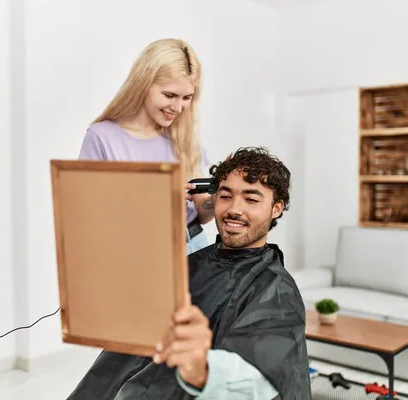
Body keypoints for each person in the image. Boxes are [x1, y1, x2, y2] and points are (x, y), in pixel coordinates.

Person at [67, 147, 312, 400]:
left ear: (276, 208)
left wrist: (201, 367)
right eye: (225, 196)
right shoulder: (189, 265)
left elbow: (255, 381)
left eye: (251, 199)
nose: (234, 209)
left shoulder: (277, 291)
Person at [78, 38, 213, 254]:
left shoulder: (184, 136)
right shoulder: (102, 137)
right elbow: (88, 218)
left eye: (187, 97)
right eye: (169, 95)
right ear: (143, 84)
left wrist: (220, 195)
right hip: (137, 252)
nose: (178, 107)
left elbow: (202, 213)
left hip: (195, 245)